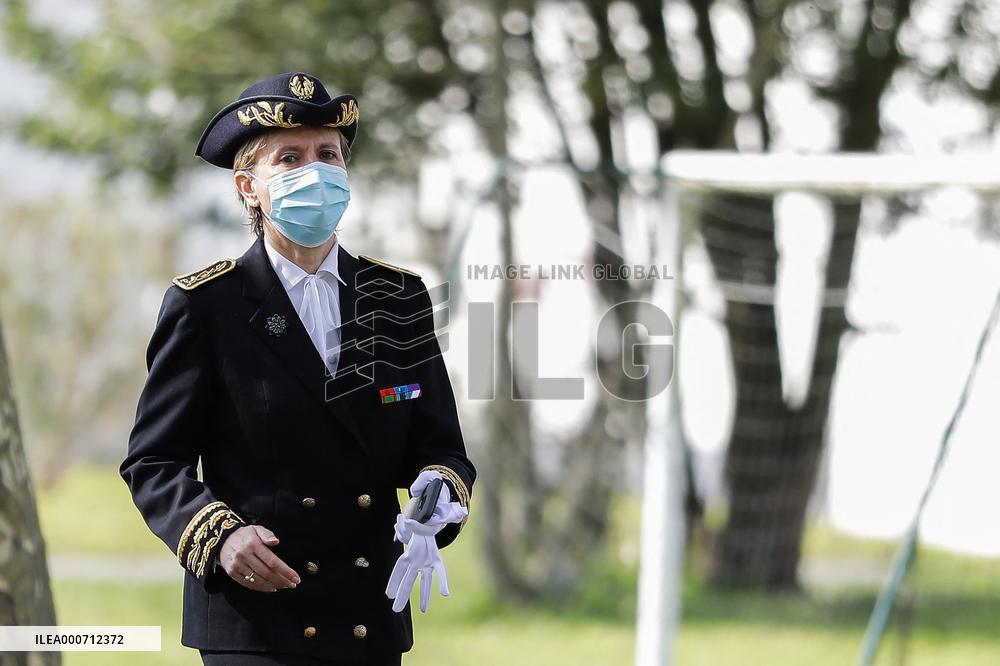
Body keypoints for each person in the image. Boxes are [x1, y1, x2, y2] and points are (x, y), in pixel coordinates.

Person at [119, 71, 476, 665]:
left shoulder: (398, 298)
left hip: (368, 615)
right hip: (256, 622)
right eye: (290, 158)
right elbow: (153, 462)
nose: (316, 171)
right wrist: (220, 536)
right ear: (248, 187)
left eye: (327, 154)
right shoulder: (206, 305)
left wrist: (436, 495)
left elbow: (441, 447)